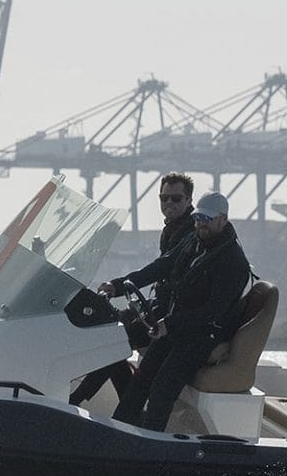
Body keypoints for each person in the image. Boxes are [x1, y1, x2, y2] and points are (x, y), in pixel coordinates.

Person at [105, 191, 251, 432]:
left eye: (207, 219)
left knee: (162, 388)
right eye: (198, 218)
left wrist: (170, 324)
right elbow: (161, 266)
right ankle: (118, 432)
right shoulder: (193, 241)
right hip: (177, 328)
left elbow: (212, 312)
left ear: (222, 220)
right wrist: (118, 285)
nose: (200, 223)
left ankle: (151, 445)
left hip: (203, 336)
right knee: (142, 378)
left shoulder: (233, 261)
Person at [67, 173, 196, 406]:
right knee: (112, 336)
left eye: (176, 198)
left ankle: (77, 399)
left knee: (115, 342)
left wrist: (117, 285)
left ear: (188, 201)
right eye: (163, 198)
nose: (168, 203)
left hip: (172, 313)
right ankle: (123, 403)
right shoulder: (173, 228)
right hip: (159, 305)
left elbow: (159, 268)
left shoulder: (191, 232)